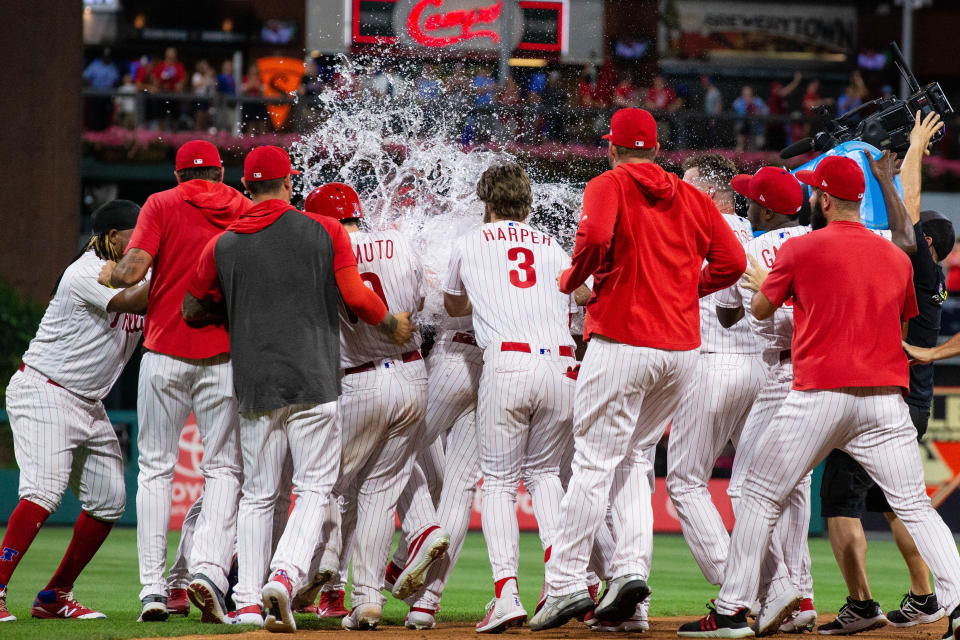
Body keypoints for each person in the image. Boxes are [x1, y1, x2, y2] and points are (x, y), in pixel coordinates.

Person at [677, 155, 960, 640]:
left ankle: (730, 611)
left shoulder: (802, 249)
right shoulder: (892, 253)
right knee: (914, 503)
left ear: (825, 200)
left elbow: (763, 312)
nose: (812, 197)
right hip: (883, 398)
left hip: (821, 392)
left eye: (816, 191)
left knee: (758, 494)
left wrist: (765, 286)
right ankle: (957, 603)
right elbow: (904, 319)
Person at [530, 108, 746, 631]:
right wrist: (687, 291)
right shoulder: (693, 196)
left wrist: (573, 278)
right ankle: (630, 589)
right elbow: (734, 262)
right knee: (633, 460)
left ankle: (563, 585)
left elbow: (596, 240)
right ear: (654, 148)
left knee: (593, 463)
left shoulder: (609, 183)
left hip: (624, 340)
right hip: (680, 352)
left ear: (612, 147)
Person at [183, 151, 411, 633]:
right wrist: (392, 325)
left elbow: (191, 311)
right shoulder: (323, 230)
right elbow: (355, 297)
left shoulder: (223, 244)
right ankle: (284, 576)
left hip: (255, 383)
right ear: (290, 184)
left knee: (258, 494)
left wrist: (239, 309)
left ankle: (245, 601)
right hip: (315, 380)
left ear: (246, 187)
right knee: (313, 488)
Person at [100, 140, 251, 623]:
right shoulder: (244, 209)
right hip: (224, 357)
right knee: (224, 470)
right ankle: (205, 572)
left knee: (155, 471)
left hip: (164, 353)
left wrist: (108, 275)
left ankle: (153, 590)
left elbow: (133, 270)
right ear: (222, 173)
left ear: (178, 173)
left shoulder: (161, 204)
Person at [817, 112, 954, 634]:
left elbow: (909, 211)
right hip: (908, 399)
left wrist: (913, 150)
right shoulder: (931, 279)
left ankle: (862, 605)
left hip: (887, 399)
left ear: (930, 247)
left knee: (839, 502)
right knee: (898, 507)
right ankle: (924, 596)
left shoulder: (919, 264)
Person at [444, 163, 589, 633]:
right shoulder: (552, 245)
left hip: (507, 363)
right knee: (546, 475)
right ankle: (562, 581)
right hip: (562, 365)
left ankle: (506, 592)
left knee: (501, 484)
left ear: (486, 203)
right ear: (527, 203)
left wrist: (482, 297)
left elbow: (451, 306)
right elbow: (578, 298)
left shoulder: (468, 241)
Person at [298, 182, 439, 632]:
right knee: (379, 495)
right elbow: (420, 303)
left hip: (357, 380)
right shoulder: (398, 240)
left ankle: (316, 566)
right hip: (414, 375)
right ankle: (368, 600)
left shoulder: (321, 256)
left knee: (324, 486)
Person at [0, 200, 148, 622]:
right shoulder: (87, 270)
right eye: (137, 233)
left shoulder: (138, 272)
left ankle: (54, 596)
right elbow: (134, 303)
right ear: (115, 236)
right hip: (45, 390)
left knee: (108, 501)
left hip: (88, 402)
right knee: (43, 491)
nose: (144, 241)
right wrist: (177, 268)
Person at [714, 167, 817, 634]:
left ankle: (781, 587)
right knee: (794, 490)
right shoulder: (817, 242)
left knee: (744, 489)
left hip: (779, 373)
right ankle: (805, 594)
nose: (748, 206)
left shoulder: (752, 250)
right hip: (818, 375)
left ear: (770, 210)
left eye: (753, 200)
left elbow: (728, 314)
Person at [665, 154, 764, 590]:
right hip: (763, 370)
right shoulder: (762, 235)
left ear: (707, 192)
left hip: (712, 364)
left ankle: (734, 591)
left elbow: (721, 305)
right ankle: (788, 592)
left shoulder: (697, 229)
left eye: (687, 184)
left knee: (685, 482)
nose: (681, 191)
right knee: (761, 490)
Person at [83, 48, 120, 131]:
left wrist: (114, 87)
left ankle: (104, 137)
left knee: (106, 117)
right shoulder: (95, 65)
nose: (106, 58)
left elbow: (116, 80)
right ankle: (94, 135)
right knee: (95, 116)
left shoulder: (112, 66)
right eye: (105, 56)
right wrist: (91, 86)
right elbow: (85, 77)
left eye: (108, 56)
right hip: (96, 95)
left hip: (107, 96)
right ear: (102, 56)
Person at [732, 86, 768, 151]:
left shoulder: (758, 101)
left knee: (758, 146)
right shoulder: (738, 102)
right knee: (740, 147)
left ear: (752, 94)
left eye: (749, 94)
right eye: (745, 94)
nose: (747, 97)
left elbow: (767, 112)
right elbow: (738, 114)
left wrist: (758, 111)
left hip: (757, 132)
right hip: (743, 130)